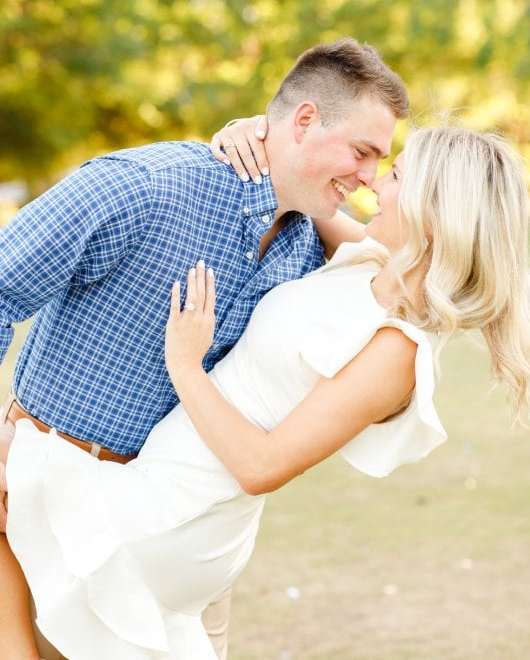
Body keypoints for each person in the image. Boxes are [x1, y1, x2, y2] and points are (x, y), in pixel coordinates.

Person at [1, 126, 529, 660]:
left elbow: (262, 467)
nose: (374, 185)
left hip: (184, 509)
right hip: (165, 480)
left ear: (433, 216)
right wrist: (259, 134)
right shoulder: (370, 262)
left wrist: (186, 365)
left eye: (395, 176)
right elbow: (300, 185)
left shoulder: (398, 348)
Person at [0, 37, 409, 660]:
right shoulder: (144, 188)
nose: (369, 176)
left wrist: (269, 142)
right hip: (46, 506)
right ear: (304, 120)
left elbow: (419, 263)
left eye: (380, 161)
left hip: (178, 542)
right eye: (361, 151)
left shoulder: (309, 249)